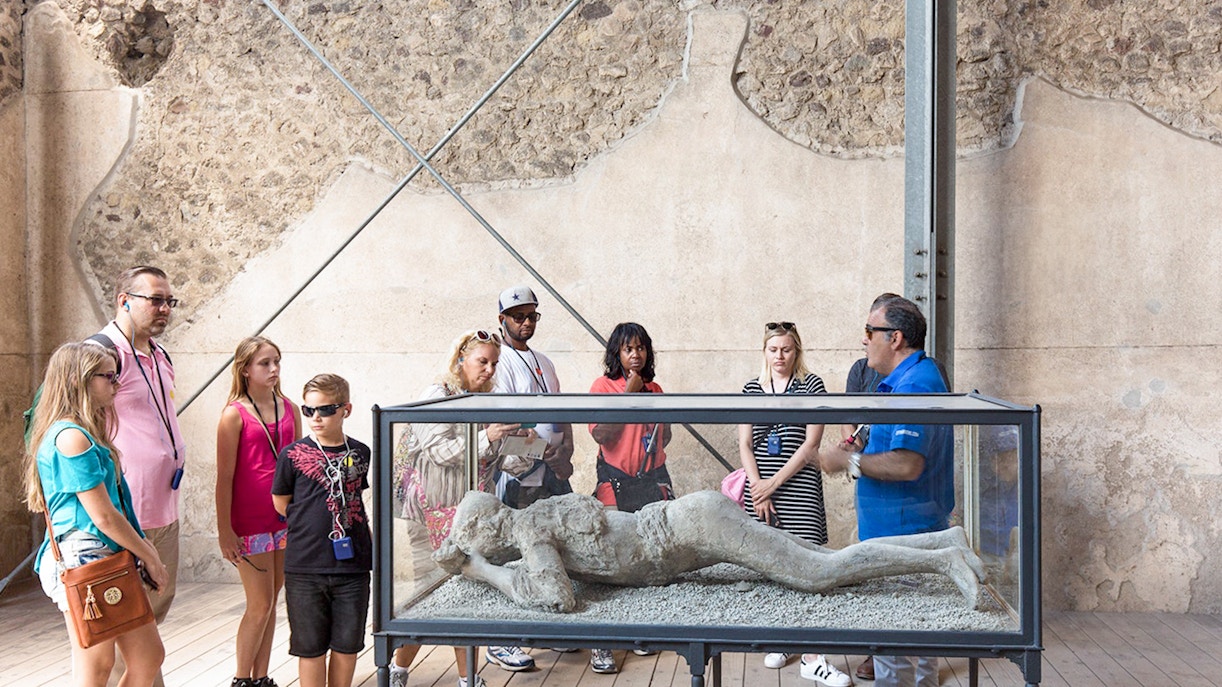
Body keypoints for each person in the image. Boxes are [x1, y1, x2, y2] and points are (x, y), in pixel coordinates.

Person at [433, 491, 983, 612]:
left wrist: (478, 571)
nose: (473, 547)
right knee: (822, 559)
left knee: (818, 572)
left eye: (472, 538)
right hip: (687, 522)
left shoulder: (530, 536)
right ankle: (945, 540)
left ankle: (943, 559)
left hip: (689, 529)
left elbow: (557, 598)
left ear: (488, 529)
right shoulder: (536, 521)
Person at [821, 296, 956, 687]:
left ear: (894, 338)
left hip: (905, 536)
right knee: (913, 649)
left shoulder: (915, 384)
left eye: (869, 332)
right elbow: (893, 446)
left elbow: (908, 463)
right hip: (896, 534)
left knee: (897, 654)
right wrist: (860, 448)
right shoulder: (904, 380)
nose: (864, 341)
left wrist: (848, 462)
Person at [23, 342, 170, 686]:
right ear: (81, 380)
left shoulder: (81, 433)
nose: (116, 384)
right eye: (108, 376)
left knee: (147, 656)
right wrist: (149, 555)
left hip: (101, 554)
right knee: (97, 665)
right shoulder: (71, 438)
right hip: (86, 555)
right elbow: (103, 515)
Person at [390, 330, 522, 687]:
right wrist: (490, 437)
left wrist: (532, 451)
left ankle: (467, 678)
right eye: (483, 361)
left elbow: (502, 457)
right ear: (461, 359)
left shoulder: (487, 399)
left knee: (465, 592)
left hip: (468, 514)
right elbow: (441, 452)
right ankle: (400, 670)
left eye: (495, 363)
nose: (490, 370)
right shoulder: (437, 396)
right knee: (431, 593)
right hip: (430, 512)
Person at [738, 322, 849, 687]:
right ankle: (786, 640)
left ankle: (815, 657)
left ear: (796, 351)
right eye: (774, 349)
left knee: (811, 568)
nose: (780, 356)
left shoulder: (811, 385)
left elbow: (810, 446)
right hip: (764, 494)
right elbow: (746, 445)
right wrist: (757, 488)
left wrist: (773, 484)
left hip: (798, 490)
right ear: (764, 351)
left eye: (786, 349)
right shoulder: (751, 390)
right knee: (774, 568)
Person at [91, 266, 186, 687]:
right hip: (125, 510)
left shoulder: (157, 353)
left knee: (149, 616)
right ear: (123, 299)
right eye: (155, 300)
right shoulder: (102, 353)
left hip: (163, 505)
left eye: (169, 301)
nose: (164, 309)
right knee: (125, 623)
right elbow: (69, 420)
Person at [483, 286, 577, 673]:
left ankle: (551, 627)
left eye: (532, 315)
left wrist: (565, 454)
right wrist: (547, 453)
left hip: (551, 473)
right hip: (517, 475)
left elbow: (561, 412)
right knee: (512, 553)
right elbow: (502, 427)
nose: (525, 322)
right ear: (502, 318)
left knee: (560, 546)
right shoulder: (498, 362)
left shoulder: (545, 361)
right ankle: (502, 639)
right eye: (518, 315)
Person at [272, 374, 372, 687]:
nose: (316, 417)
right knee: (310, 648)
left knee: (347, 644)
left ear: (346, 409)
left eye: (326, 409)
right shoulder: (291, 454)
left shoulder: (361, 453)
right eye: (309, 410)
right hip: (305, 566)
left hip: (352, 566)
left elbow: (359, 495)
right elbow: (280, 501)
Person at [586, 321, 673, 674]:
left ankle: (637, 632)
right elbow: (601, 435)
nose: (635, 355)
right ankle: (602, 643)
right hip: (615, 482)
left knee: (648, 558)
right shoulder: (602, 387)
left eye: (640, 348)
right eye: (627, 349)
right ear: (617, 354)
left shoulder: (656, 389)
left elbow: (664, 438)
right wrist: (628, 395)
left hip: (651, 481)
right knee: (608, 559)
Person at [216, 337, 301, 687]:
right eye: (265, 363)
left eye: (277, 362)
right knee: (260, 604)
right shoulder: (233, 415)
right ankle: (240, 678)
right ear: (245, 369)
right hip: (249, 523)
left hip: (284, 519)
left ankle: (261, 676)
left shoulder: (291, 408)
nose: (274, 369)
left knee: (273, 600)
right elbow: (224, 478)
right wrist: (225, 531)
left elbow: (297, 465)